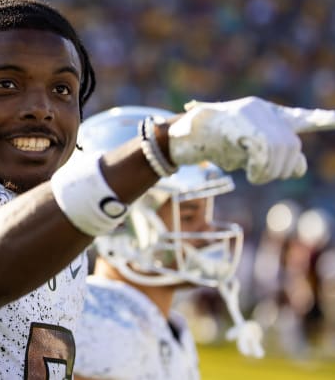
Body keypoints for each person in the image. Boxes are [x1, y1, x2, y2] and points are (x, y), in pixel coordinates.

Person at [0, 0, 335, 379]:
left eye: (63, 89)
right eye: (5, 84)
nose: (41, 107)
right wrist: (162, 148)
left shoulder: (64, 247)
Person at [71, 106, 262, 380]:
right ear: (121, 222)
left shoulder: (166, 323)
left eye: (207, 213)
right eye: (188, 215)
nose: (206, 229)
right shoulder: (100, 324)